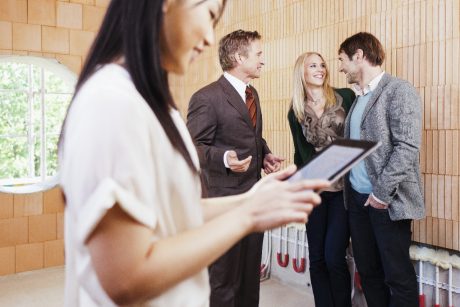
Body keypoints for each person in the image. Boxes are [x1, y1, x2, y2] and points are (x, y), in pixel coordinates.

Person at [58, 1, 329, 306]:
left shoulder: (155, 105)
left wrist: (252, 199)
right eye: (209, 16)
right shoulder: (110, 101)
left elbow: (174, 212)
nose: (210, 39)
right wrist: (247, 214)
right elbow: (125, 277)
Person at [186, 29, 284, 307]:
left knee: (249, 277)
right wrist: (224, 158)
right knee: (223, 279)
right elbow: (191, 147)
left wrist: (264, 153)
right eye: (259, 54)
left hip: (254, 199)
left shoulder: (252, 93)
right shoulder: (206, 97)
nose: (263, 60)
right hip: (222, 202)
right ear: (239, 57)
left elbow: (251, 136)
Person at [338, 32, 424, 307]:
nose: (340, 67)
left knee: (397, 277)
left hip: (386, 203)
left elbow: (407, 147)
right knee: (369, 273)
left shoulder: (399, 90)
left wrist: (381, 194)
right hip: (358, 203)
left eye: (342, 60)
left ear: (359, 55)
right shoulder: (357, 100)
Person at [287, 52, 355, 307]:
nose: (320, 69)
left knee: (333, 256)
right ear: (301, 73)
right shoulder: (295, 111)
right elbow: (300, 154)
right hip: (313, 190)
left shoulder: (344, 97)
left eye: (322, 64)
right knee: (316, 257)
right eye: (313, 65)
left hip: (342, 189)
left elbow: (357, 135)